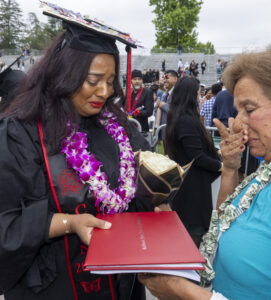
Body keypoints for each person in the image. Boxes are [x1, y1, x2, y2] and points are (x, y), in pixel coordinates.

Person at [0, 3, 152, 300]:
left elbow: (143, 175)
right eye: (93, 81)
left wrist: (157, 191)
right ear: (64, 74)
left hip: (122, 281)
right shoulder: (22, 133)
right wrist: (69, 223)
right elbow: (6, 222)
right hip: (58, 284)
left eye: (110, 81)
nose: (106, 92)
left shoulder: (118, 126)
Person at [139, 38, 271, 300]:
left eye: (249, 109)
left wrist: (180, 290)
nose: (239, 124)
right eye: (239, 112)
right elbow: (225, 228)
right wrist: (229, 168)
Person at [164, 76, 221, 247]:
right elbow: (197, 156)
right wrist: (221, 166)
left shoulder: (183, 118)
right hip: (192, 189)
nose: (200, 96)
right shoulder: (185, 121)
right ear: (190, 95)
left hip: (191, 186)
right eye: (198, 93)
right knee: (192, 239)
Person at [155, 70, 178, 140]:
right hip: (165, 131)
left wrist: (163, 105)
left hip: (174, 131)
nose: (165, 80)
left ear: (175, 79)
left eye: (167, 78)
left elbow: (177, 110)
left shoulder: (179, 93)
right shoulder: (165, 94)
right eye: (164, 78)